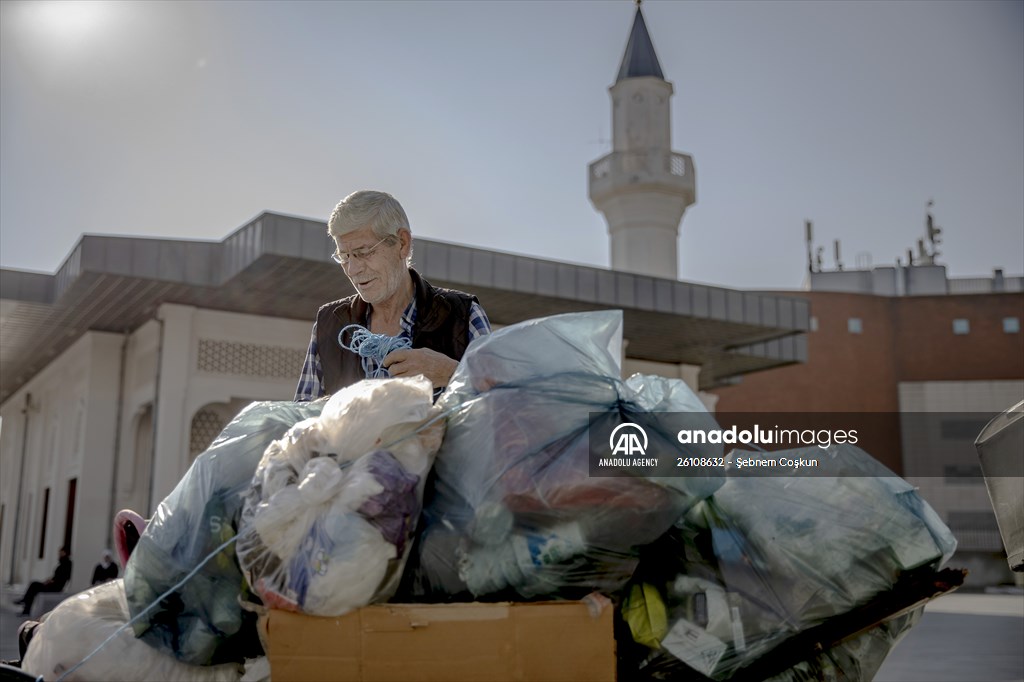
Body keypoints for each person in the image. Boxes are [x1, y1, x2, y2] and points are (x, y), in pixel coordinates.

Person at [295, 190, 491, 400]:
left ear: (402, 243)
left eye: (363, 252)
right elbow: (300, 419)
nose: (352, 269)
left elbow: (508, 405)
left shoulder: (464, 314)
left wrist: (452, 373)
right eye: (344, 256)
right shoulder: (329, 324)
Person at [15, 546, 72, 616]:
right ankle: (25, 604)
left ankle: (25, 603)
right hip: (53, 585)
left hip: (55, 587)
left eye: (61, 552)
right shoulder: (63, 563)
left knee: (34, 585)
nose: (59, 554)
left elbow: (61, 578)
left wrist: (51, 581)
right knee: (34, 586)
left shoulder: (66, 564)